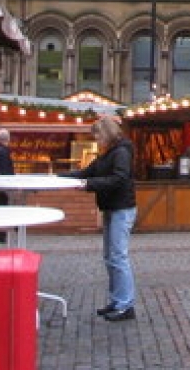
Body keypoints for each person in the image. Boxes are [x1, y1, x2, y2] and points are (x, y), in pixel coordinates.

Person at [63, 114, 137, 322]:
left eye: (97, 136)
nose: (96, 140)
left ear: (106, 134)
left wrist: (89, 185)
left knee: (118, 257)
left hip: (121, 209)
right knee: (111, 256)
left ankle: (125, 304)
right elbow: (86, 172)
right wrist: (59, 178)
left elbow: (119, 179)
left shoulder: (121, 152)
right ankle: (118, 300)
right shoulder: (109, 154)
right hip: (112, 207)